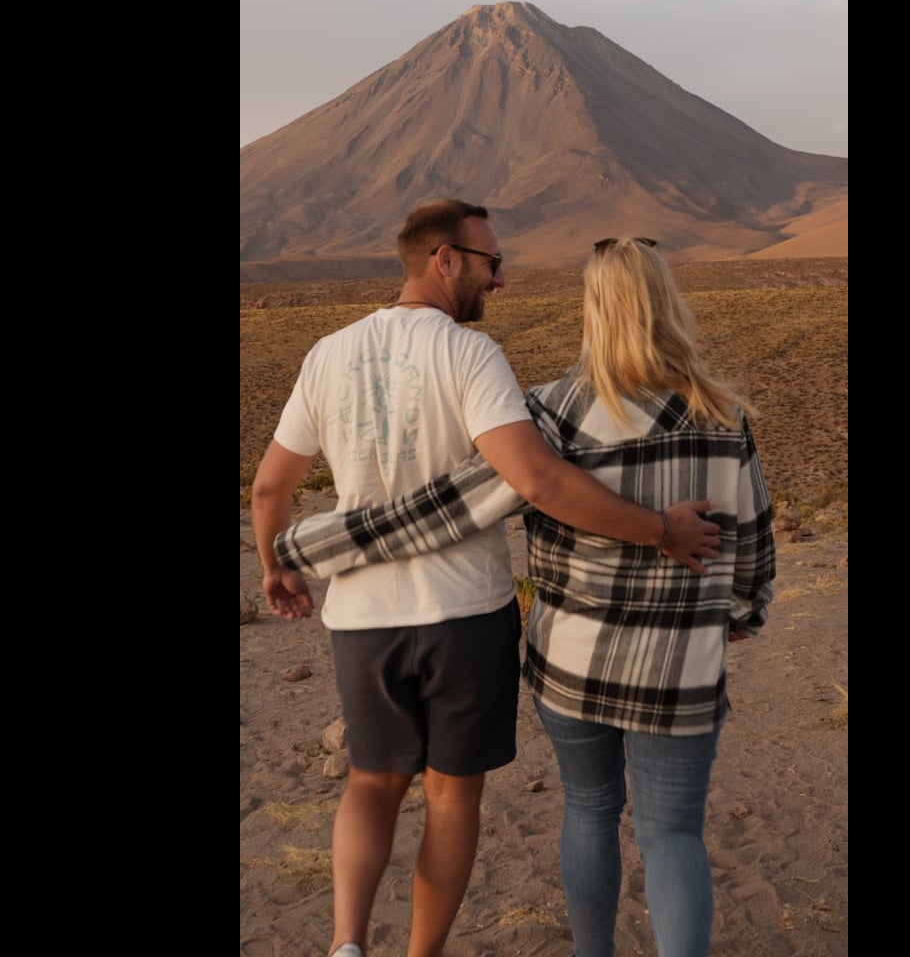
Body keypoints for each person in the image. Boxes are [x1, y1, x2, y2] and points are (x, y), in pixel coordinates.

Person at [275, 235, 776, 957]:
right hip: (680, 667)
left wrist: (300, 549)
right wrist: (738, 613)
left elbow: (443, 509)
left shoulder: (548, 416)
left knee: (590, 811)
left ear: (594, 311)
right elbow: (753, 546)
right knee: (672, 835)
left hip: (572, 662)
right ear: (669, 305)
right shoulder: (724, 419)